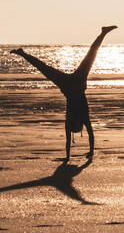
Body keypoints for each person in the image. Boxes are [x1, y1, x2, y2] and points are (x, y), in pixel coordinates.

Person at [12, 26, 117, 162]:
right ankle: (23, 54)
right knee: (48, 68)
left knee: (89, 56)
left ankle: (23, 54)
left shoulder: (78, 118)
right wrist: (80, 154)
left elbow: (84, 136)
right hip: (70, 85)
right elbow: (81, 137)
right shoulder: (78, 117)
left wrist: (78, 154)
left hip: (72, 84)